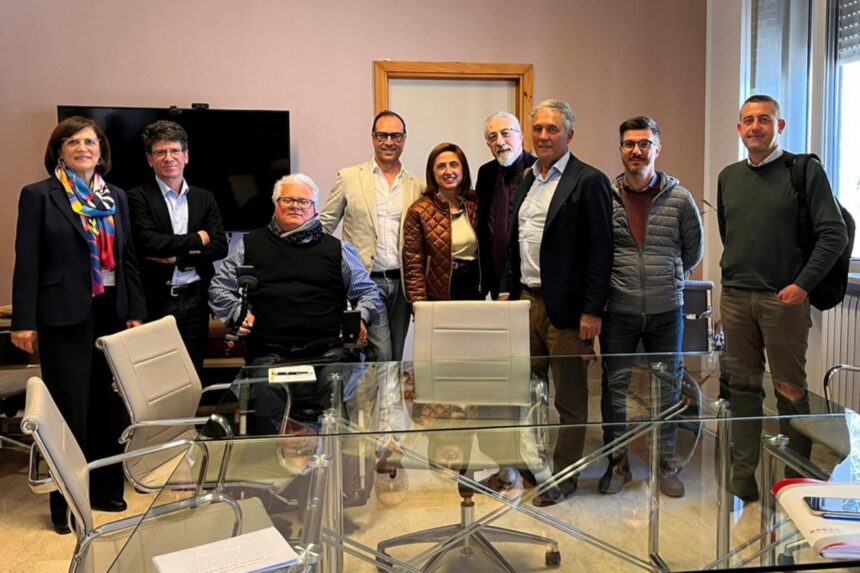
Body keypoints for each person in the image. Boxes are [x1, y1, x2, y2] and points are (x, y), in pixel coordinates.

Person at [11, 116, 146, 533]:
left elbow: (127, 258)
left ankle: (106, 489)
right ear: (59, 152)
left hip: (111, 311)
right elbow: (27, 261)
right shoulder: (39, 195)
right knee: (69, 409)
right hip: (62, 313)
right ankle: (66, 502)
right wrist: (23, 320)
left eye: (89, 141)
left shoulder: (116, 197)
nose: (82, 148)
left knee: (109, 405)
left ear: (101, 151)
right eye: (72, 142)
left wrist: (135, 310)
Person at [718, 94, 848, 503]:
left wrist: (803, 284)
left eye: (764, 119)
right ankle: (743, 476)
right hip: (736, 299)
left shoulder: (804, 171)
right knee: (742, 389)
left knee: (790, 389)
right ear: (739, 128)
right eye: (748, 120)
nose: (755, 126)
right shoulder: (728, 176)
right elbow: (730, 232)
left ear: (780, 126)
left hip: (784, 301)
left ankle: (795, 482)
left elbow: (835, 233)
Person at [501, 99, 613, 507]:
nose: (544, 136)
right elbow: (516, 242)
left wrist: (592, 311)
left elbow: (602, 252)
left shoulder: (589, 181)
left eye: (553, 129)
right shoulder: (527, 180)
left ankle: (564, 477)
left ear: (570, 134)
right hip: (526, 303)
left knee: (569, 400)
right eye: (539, 129)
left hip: (568, 310)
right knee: (529, 394)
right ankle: (534, 466)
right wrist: (507, 291)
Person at [598, 116, 703, 498]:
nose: (636, 151)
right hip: (618, 310)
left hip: (666, 311)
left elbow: (693, 250)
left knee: (667, 389)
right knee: (614, 389)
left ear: (657, 149)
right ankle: (618, 463)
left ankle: (666, 463)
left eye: (644, 143)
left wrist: (669, 276)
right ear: (620, 149)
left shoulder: (680, 199)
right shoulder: (606, 197)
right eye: (629, 144)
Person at [210, 173, 382, 365]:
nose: (295, 206)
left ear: (315, 208)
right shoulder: (249, 245)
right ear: (276, 204)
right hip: (267, 352)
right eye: (288, 200)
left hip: (329, 352)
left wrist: (360, 318)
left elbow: (368, 292)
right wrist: (237, 315)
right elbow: (219, 287)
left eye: (303, 201)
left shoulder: (340, 249)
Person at [321, 110, 425, 362]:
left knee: (396, 355)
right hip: (365, 282)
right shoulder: (348, 178)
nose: (389, 142)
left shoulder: (417, 186)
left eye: (395, 136)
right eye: (382, 135)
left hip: (402, 284)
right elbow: (325, 224)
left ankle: (382, 390)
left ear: (404, 139)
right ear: (373, 137)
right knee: (382, 354)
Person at [128, 120, 228, 374]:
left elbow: (220, 246)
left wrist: (180, 259)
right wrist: (198, 238)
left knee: (193, 371)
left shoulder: (204, 197)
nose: (168, 157)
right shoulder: (137, 197)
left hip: (196, 299)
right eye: (160, 152)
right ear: (149, 159)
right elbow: (151, 242)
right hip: (156, 300)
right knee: (158, 374)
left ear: (186, 156)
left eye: (174, 150)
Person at [402, 143, 482, 303]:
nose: (448, 171)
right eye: (441, 166)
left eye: (454, 165)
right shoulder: (419, 211)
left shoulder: (476, 202)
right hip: (438, 292)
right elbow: (413, 264)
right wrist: (419, 304)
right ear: (432, 173)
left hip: (474, 286)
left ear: (463, 169)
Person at [475, 112, 537, 299]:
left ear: (521, 136)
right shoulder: (486, 173)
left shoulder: (538, 170)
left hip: (528, 281)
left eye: (506, 133)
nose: (500, 142)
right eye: (492, 137)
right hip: (493, 278)